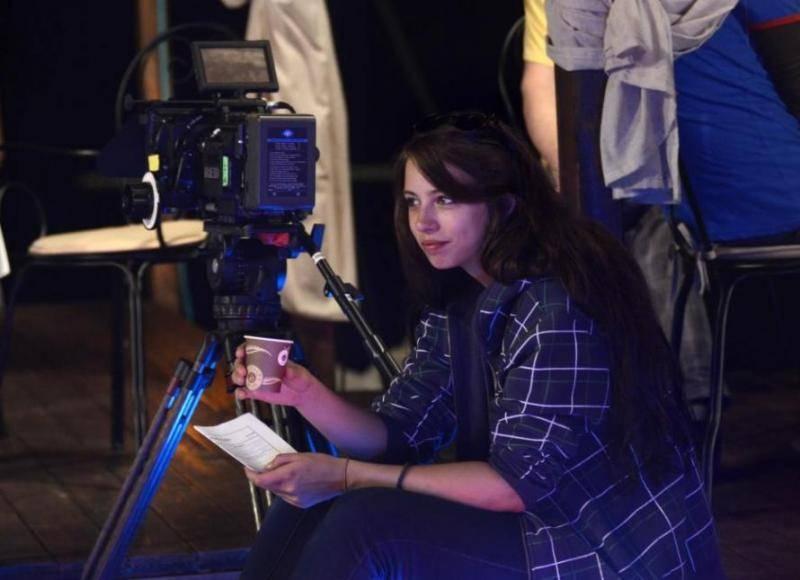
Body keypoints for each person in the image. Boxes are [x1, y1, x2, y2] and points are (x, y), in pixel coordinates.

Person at [232, 113, 724, 579]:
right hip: (536, 524)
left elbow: (515, 485)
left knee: (364, 522)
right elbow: (400, 433)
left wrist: (346, 476)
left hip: (601, 549)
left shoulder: (555, 307)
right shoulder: (462, 295)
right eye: (413, 201)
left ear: (503, 206)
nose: (423, 222)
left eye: (446, 200)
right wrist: (304, 392)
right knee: (309, 502)